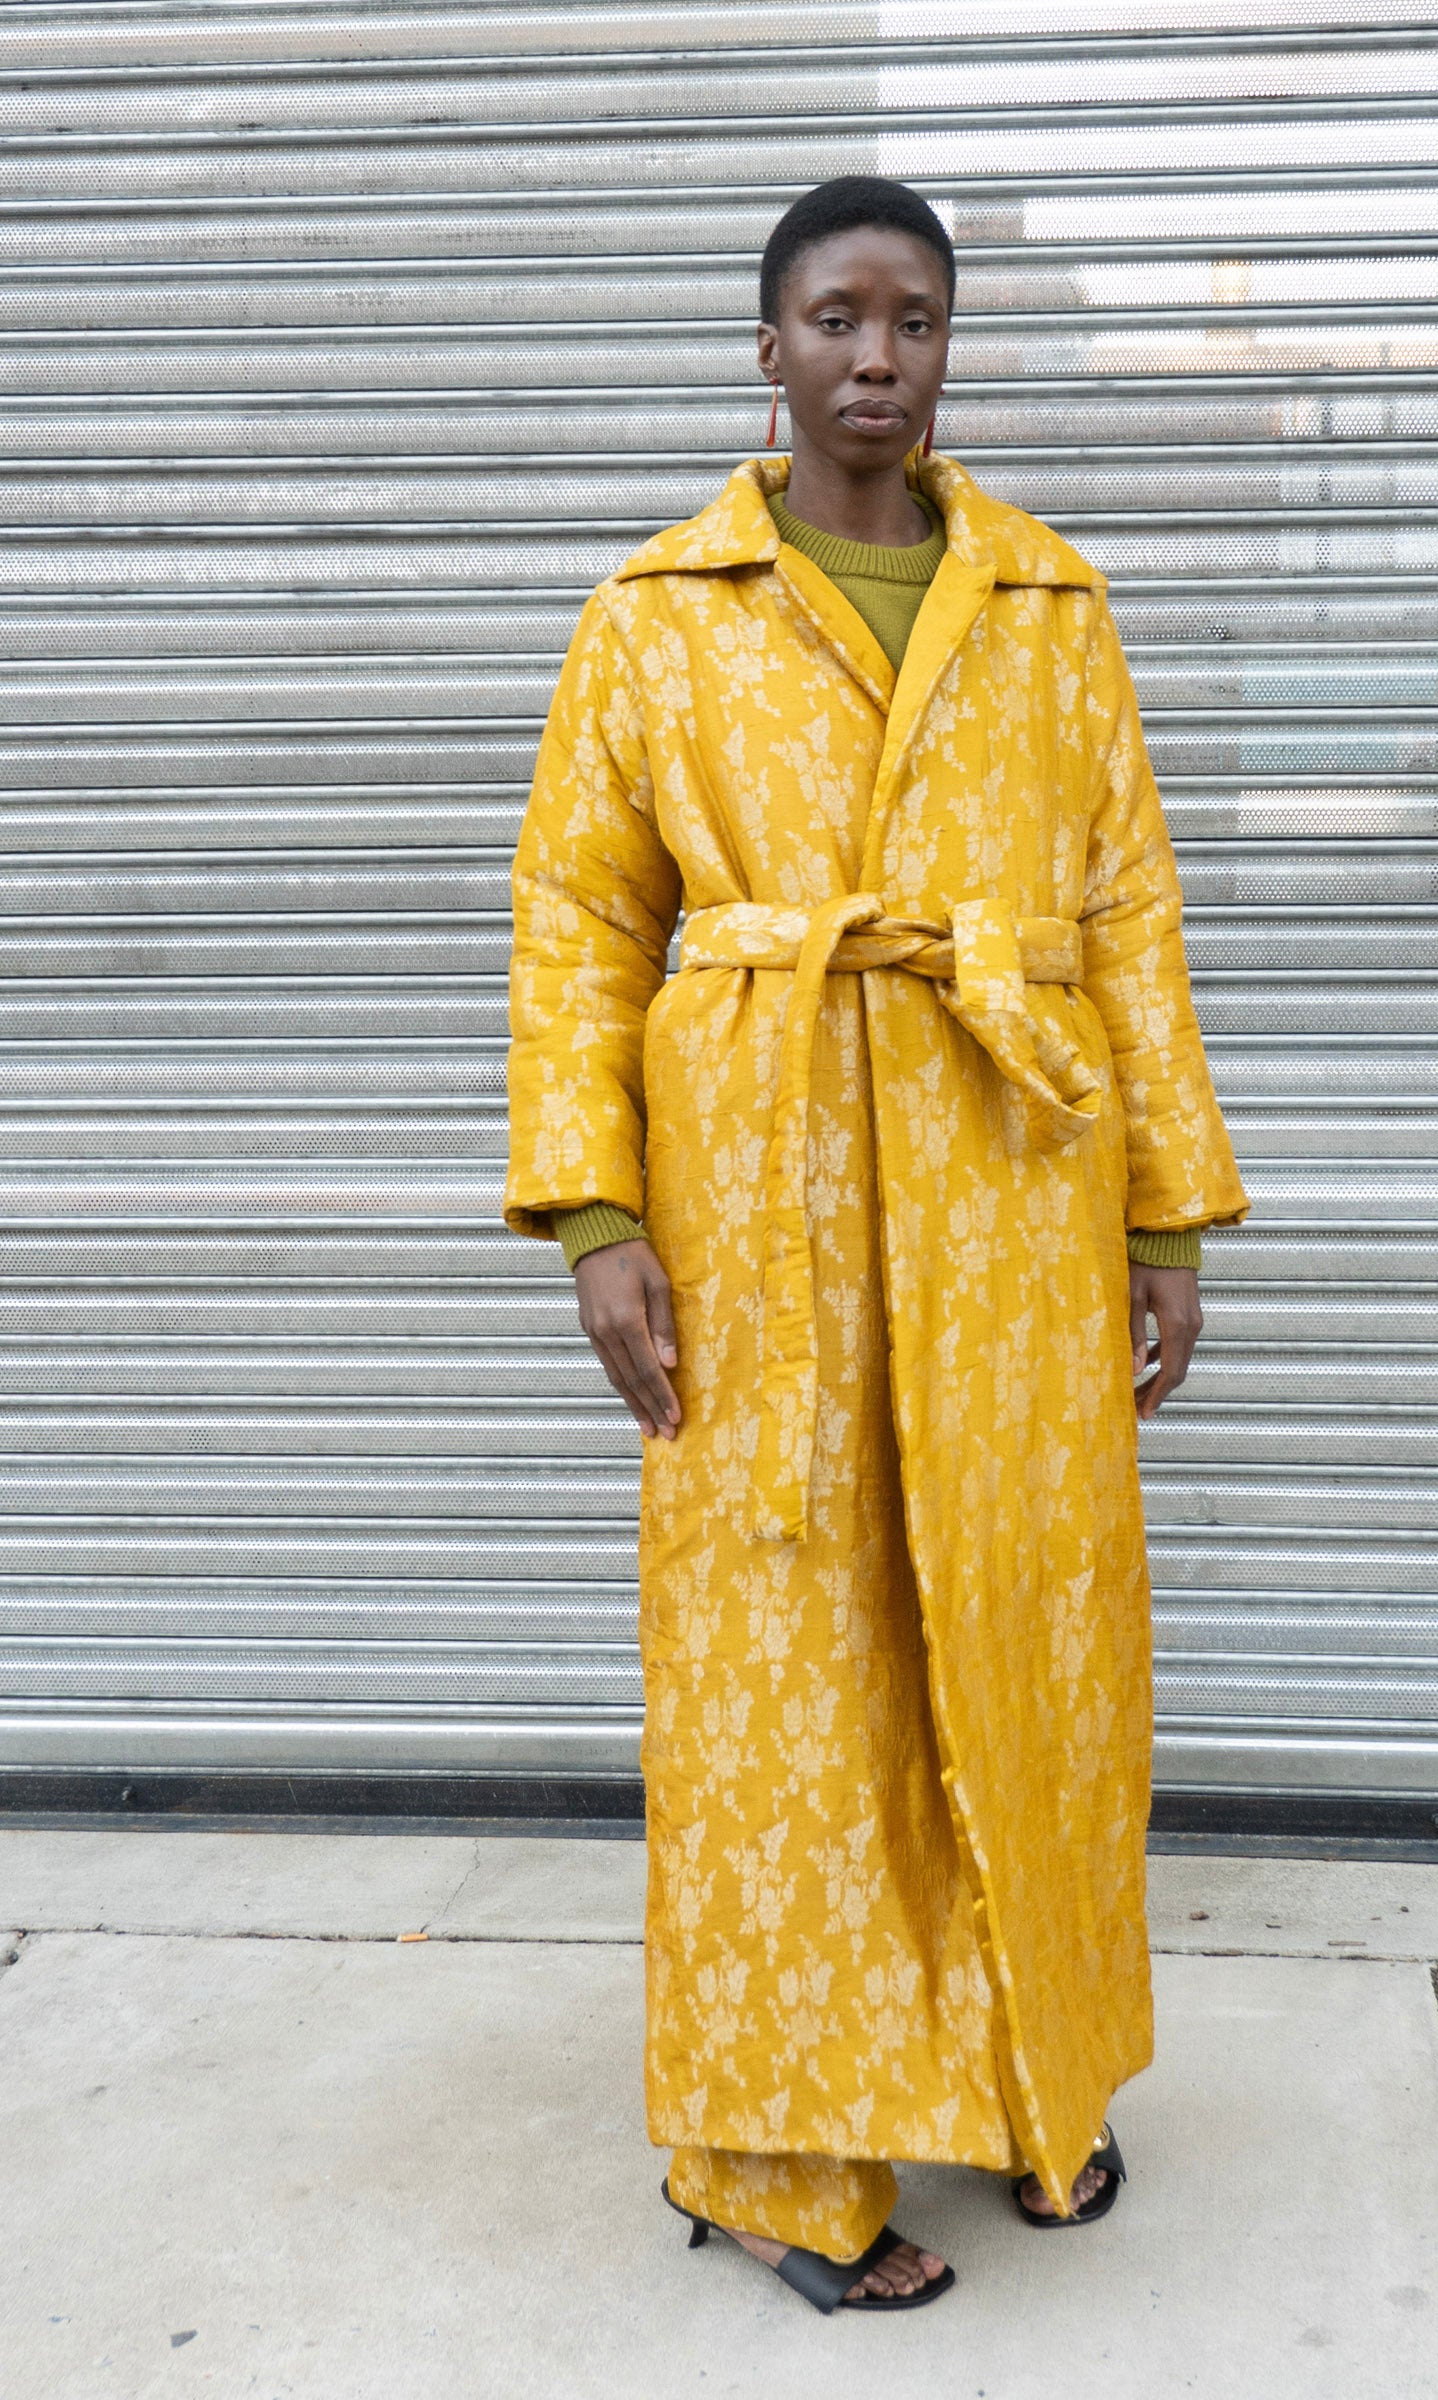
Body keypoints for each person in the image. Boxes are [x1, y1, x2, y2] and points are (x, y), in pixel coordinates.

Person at [505, 175, 1247, 2314]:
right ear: (767, 348)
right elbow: (578, 913)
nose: (875, 355)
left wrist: (1167, 1206)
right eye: (834, 315)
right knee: (787, 1670)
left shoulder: (1047, 607)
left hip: (1011, 1195)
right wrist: (598, 1214)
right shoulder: (663, 609)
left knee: (1029, 1635)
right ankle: (770, 2161)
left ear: (946, 348)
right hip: (761, 1214)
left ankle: (1036, 2081)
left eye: (913, 319)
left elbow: (1124, 915)